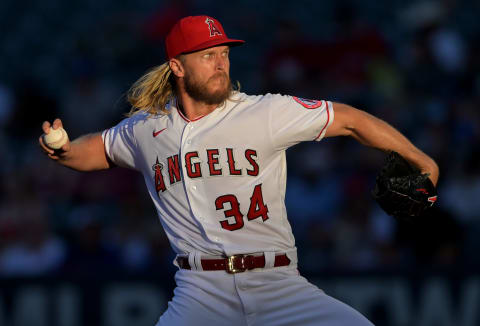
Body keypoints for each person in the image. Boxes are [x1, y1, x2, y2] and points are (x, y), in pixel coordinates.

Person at [39, 15, 439, 326]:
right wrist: (63, 148)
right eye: (208, 55)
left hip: (278, 284)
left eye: (225, 53)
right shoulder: (147, 129)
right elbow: (96, 150)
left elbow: (349, 119)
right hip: (200, 293)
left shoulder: (263, 112)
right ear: (177, 66)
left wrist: (422, 161)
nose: (221, 64)